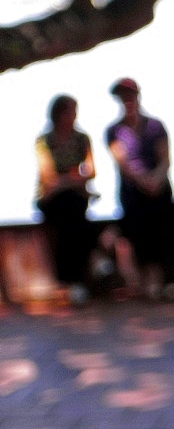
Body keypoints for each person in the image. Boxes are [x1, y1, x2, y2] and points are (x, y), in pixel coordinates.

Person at [105, 78, 174, 300]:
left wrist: (155, 179)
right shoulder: (114, 131)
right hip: (133, 191)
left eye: (130, 95)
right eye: (123, 97)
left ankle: (168, 279)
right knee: (138, 226)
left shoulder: (155, 126)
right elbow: (123, 164)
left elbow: (165, 160)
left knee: (165, 224)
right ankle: (148, 280)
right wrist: (144, 181)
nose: (127, 101)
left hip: (158, 187)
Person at [35, 94, 97, 302]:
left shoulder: (81, 138)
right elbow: (47, 177)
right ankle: (71, 280)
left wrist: (67, 181)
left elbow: (90, 171)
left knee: (75, 214)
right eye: (70, 111)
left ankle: (74, 280)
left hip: (74, 199)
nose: (73, 116)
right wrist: (73, 178)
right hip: (52, 200)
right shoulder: (45, 141)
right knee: (68, 214)